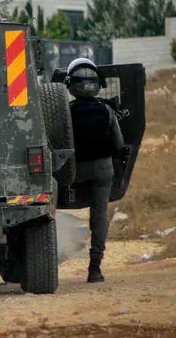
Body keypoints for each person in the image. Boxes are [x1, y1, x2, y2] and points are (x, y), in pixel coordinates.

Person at [65, 58, 124, 283]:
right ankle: (95, 269)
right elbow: (118, 144)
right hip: (102, 170)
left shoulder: (66, 111)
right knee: (99, 217)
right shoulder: (106, 110)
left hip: (73, 171)